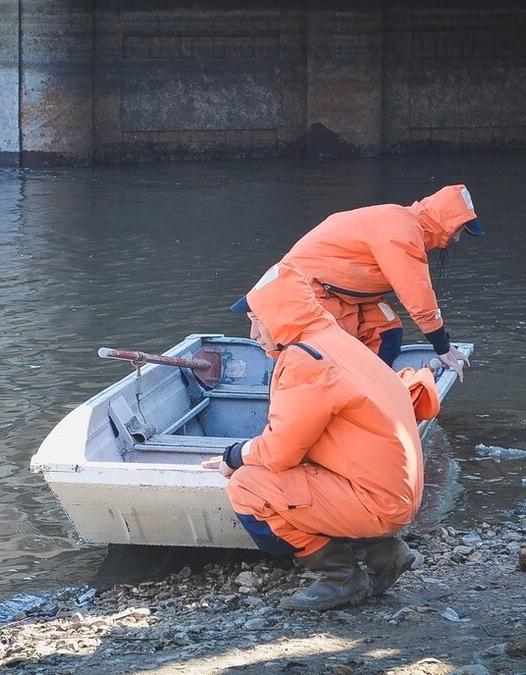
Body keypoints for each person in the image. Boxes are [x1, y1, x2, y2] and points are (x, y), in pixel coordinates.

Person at [204, 261, 431, 611]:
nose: (252, 335)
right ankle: (383, 551)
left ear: (281, 315)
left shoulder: (306, 359)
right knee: (276, 470)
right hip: (389, 493)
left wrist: (235, 456)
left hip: (377, 502)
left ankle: (343, 578)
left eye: (257, 321)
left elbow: (280, 451)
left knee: (248, 486)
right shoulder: (334, 339)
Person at [266, 184, 483, 378]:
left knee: (386, 329)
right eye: (458, 230)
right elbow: (418, 298)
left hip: (338, 289)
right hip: (307, 289)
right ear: (443, 221)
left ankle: (376, 394)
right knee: (333, 351)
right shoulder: (402, 234)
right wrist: (442, 347)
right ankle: (344, 404)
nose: (456, 238)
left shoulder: (402, 221)